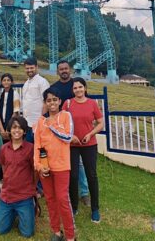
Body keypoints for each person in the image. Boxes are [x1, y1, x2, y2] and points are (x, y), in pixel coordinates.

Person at [34, 89, 75, 241]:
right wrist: (38, 165)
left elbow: (68, 136)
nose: (52, 103)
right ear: (45, 103)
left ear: (59, 101)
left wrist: (51, 125)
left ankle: (70, 236)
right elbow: (37, 145)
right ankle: (56, 231)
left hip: (62, 166)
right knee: (50, 199)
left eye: (55, 99)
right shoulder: (40, 121)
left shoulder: (65, 115)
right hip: (45, 167)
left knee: (62, 200)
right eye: (49, 100)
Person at [64, 77, 104, 223]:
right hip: (72, 145)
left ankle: (95, 209)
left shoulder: (92, 104)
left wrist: (90, 133)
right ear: (72, 90)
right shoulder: (67, 104)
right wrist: (71, 136)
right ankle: (74, 206)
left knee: (91, 176)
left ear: (85, 88)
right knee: (73, 176)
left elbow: (101, 123)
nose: (78, 90)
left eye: (80, 87)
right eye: (75, 88)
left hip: (89, 144)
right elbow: (62, 123)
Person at [49, 60, 89, 204]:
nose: (64, 71)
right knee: (61, 161)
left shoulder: (76, 84)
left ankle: (84, 192)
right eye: (61, 69)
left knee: (79, 163)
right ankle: (64, 190)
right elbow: (50, 105)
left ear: (70, 70)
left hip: (76, 128)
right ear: (57, 71)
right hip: (60, 129)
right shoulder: (54, 87)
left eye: (66, 68)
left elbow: (84, 101)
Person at [0, 115, 36, 238]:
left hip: (24, 196)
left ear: (24, 131)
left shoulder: (31, 148)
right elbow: (4, 168)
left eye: (20, 128)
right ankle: (12, 213)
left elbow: (35, 171)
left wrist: (32, 188)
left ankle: (30, 207)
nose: (16, 130)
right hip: (7, 196)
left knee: (27, 233)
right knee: (1, 230)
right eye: (14, 127)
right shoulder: (3, 148)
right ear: (9, 130)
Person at [21, 57, 49, 142]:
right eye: (27, 68)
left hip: (38, 123)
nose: (29, 70)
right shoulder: (26, 83)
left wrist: (42, 121)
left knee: (39, 150)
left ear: (36, 67)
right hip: (27, 123)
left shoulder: (42, 82)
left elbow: (46, 101)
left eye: (31, 68)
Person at [0, 73, 19, 142]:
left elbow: (16, 111)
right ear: (1, 82)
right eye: (4, 80)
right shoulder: (0, 94)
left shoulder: (15, 93)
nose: (6, 82)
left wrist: (8, 128)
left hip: (11, 124)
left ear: (11, 82)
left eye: (8, 80)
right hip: (0, 125)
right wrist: (1, 128)